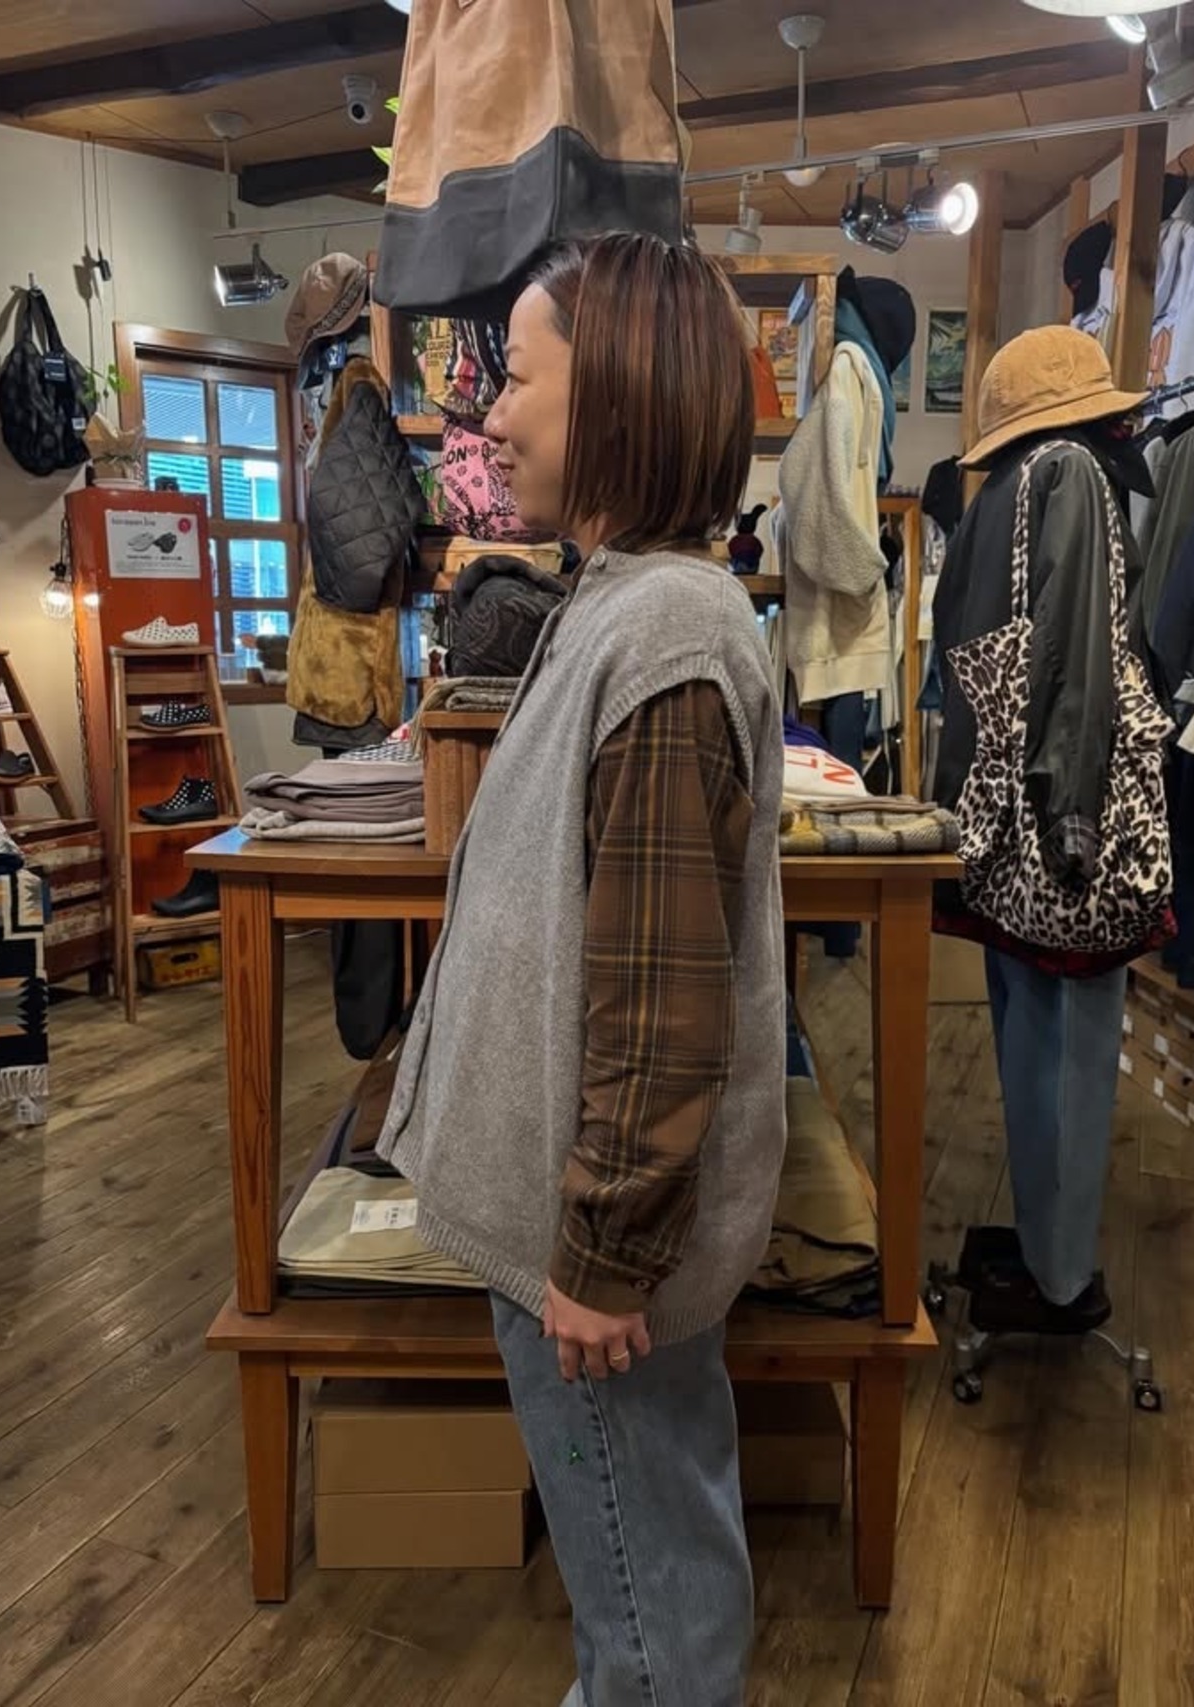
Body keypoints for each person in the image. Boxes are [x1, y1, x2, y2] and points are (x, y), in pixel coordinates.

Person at [378, 233, 787, 1707]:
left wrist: (605, 1253)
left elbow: (663, 1003)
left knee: (646, 1601)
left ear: (612, 394)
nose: (489, 414)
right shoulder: (622, 602)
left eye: (520, 377)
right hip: (580, 1223)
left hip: (596, 1243)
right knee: (638, 1570)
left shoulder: (662, 628)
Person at [933, 326, 1165, 1336]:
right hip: (1057, 813)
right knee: (1064, 1049)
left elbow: (993, 656)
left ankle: (1048, 1257)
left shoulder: (1010, 488)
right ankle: (1058, 1272)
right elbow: (1076, 647)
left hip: (1011, 810)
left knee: (1035, 1040)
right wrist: (1072, 810)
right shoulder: (1070, 474)